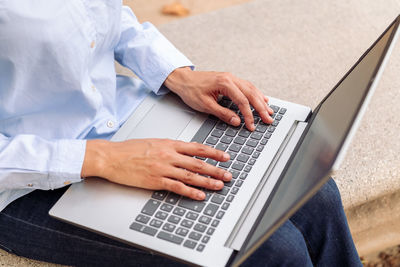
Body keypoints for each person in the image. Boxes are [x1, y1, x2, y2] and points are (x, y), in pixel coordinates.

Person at [0, 1, 362, 266]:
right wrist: (102, 158)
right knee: (272, 252)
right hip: (30, 182)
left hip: (121, 115)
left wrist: (176, 75)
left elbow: (102, 16)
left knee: (312, 190)